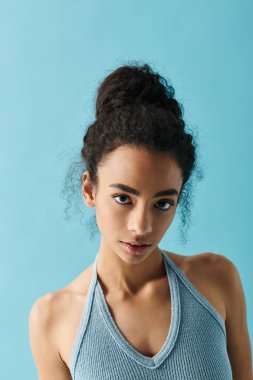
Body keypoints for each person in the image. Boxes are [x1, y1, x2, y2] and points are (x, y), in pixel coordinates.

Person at [29, 62, 253, 379]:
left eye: (162, 203)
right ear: (90, 189)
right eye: (124, 198)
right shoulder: (53, 319)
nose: (142, 226)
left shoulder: (217, 281)